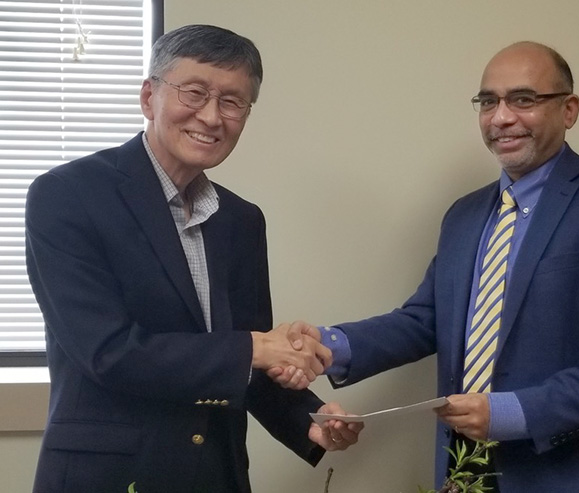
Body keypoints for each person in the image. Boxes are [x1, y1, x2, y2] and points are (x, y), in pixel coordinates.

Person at [272, 41, 579, 492]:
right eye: (488, 101)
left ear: (569, 109)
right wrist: (331, 345)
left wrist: (513, 412)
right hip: (464, 474)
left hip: (575, 478)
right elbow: (427, 319)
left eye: (523, 99)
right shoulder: (464, 215)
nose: (501, 117)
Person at [25, 24, 361, 493]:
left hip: (216, 474)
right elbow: (106, 352)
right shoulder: (66, 195)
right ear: (148, 97)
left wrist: (309, 418)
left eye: (232, 102)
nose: (211, 116)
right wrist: (258, 347)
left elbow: (246, 365)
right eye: (194, 92)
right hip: (107, 475)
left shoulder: (241, 220)